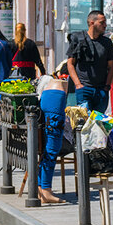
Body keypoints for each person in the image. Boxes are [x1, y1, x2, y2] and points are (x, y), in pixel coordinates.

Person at [66, 10, 113, 114]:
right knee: (84, 122)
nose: (105, 25)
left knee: (98, 124)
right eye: (102, 22)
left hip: (101, 90)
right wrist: (78, 85)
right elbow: (70, 63)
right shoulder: (78, 39)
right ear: (92, 23)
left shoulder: (106, 43)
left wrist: (107, 86)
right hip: (84, 88)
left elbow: (111, 66)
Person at [36, 67, 70, 205]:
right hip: (57, 95)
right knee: (52, 148)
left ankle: (41, 188)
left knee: (49, 149)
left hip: (51, 94)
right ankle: (46, 191)